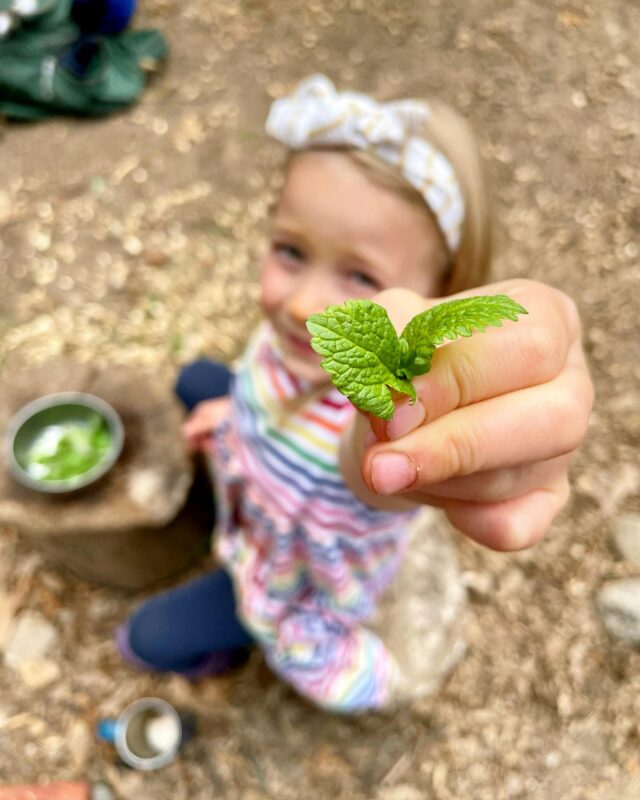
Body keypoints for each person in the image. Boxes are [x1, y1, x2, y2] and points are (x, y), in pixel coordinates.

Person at [116, 75, 592, 713]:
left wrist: (398, 421)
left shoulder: (375, 419)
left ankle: (230, 644)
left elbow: (369, 463)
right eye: (291, 251)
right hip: (262, 460)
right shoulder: (291, 341)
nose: (305, 303)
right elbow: (265, 372)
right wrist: (236, 417)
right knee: (198, 377)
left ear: (438, 294)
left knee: (142, 641)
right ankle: (238, 424)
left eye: (360, 276)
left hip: (293, 566)